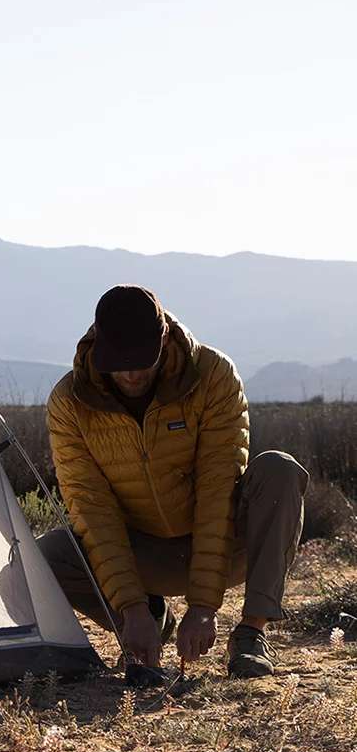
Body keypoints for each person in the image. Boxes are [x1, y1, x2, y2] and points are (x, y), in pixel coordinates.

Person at [38, 285, 307, 681]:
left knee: (278, 471)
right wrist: (131, 609)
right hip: (143, 551)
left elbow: (219, 493)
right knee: (46, 557)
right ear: (98, 345)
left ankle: (252, 633)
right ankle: (153, 617)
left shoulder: (212, 374)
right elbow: (93, 511)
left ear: (164, 337)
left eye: (142, 361)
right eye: (119, 362)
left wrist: (202, 608)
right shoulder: (69, 401)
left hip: (226, 541)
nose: (131, 373)